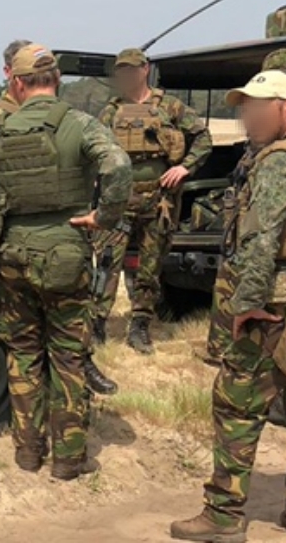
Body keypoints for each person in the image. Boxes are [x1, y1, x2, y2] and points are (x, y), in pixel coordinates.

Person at [0, 44, 132, 481]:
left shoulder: (0, 130)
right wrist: (103, 217)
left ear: (16, 83)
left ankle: (28, 453)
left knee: (21, 354)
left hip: (15, 255)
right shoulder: (79, 124)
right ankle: (69, 458)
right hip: (66, 255)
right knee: (69, 358)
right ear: (57, 80)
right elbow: (118, 165)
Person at [170, 70, 286, 543]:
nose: (248, 116)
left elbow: (260, 239)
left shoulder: (280, 161)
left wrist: (244, 306)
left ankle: (223, 516)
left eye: (259, 107)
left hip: (272, 308)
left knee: (235, 404)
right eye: (245, 107)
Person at [0, 39, 118, 397]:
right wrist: (105, 216)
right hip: (30, 233)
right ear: (12, 76)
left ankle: (34, 442)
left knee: (42, 344)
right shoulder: (0, 118)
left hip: (33, 242)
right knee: (38, 341)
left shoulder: (50, 118)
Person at [95, 48, 212, 354]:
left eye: (131, 70)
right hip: (119, 199)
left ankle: (140, 326)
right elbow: (91, 148)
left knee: (150, 267)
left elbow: (203, 138)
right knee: (106, 263)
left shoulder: (170, 107)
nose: (126, 76)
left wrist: (184, 167)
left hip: (158, 200)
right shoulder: (110, 111)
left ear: (144, 70)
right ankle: (96, 326)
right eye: (121, 71)